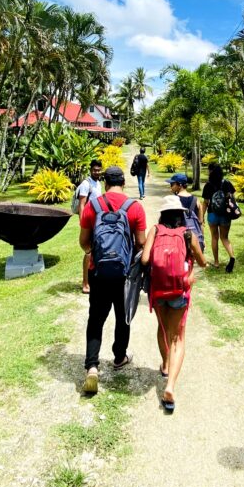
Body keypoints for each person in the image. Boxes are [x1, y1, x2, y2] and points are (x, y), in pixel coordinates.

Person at [78, 165, 147, 394]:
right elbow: (141, 242)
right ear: (124, 183)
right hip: (124, 275)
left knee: (96, 318)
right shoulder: (135, 208)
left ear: (105, 183)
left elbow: (84, 241)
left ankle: (92, 367)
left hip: (98, 273)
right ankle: (119, 357)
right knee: (122, 316)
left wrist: (94, 254)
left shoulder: (92, 206)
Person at [141, 193, 206, 413]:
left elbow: (145, 260)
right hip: (180, 291)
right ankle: (169, 387)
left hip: (159, 291)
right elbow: (203, 261)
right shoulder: (188, 234)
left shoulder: (155, 230)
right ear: (181, 215)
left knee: (162, 328)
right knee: (178, 337)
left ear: (163, 214)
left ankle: (165, 365)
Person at [73, 160, 104, 294]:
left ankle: (93, 279)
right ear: (90, 170)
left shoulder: (98, 183)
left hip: (97, 222)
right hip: (89, 223)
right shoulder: (86, 184)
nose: (97, 172)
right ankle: (85, 283)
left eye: (99, 170)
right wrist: (82, 223)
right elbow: (82, 204)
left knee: (96, 251)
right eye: (94, 170)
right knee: (88, 252)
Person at [201, 162, 237, 272]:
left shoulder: (208, 185)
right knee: (224, 238)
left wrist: (201, 217)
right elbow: (232, 198)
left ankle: (216, 262)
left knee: (214, 237)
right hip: (225, 215)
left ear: (210, 172)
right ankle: (232, 256)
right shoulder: (227, 183)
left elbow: (206, 203)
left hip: (212, 215)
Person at [168, 172, 204, 250]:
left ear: (179, 185)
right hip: (194, 239)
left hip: (179, 239)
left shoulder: (174, 201)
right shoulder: (196, 200)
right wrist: (202, 240)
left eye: (172, 184)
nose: (170, 186)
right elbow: (200, 223)